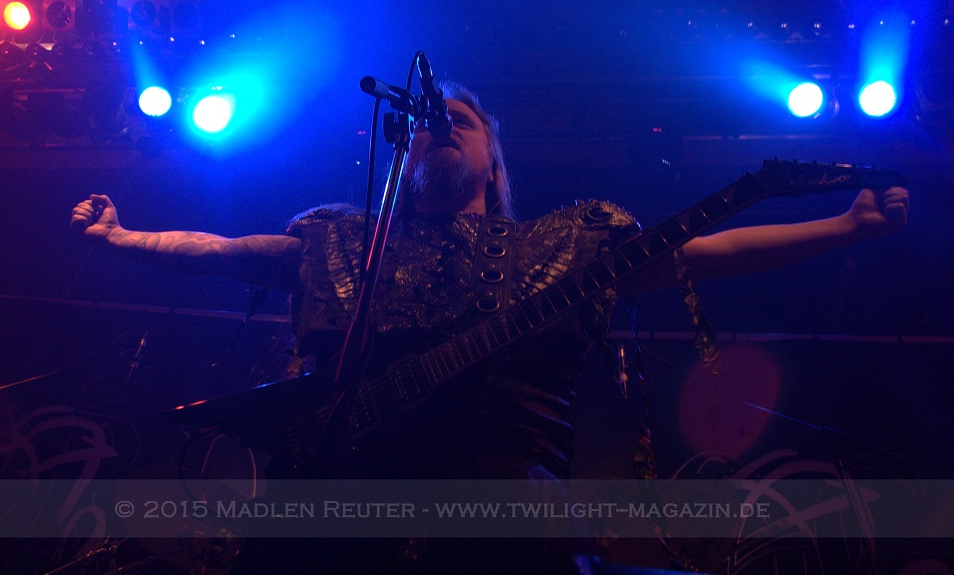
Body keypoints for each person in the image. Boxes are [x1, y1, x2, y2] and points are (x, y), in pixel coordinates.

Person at [72, 82, 909, 572]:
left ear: (493, 160)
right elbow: (221, 251)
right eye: (427, 121)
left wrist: (845, 227)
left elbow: (704, 252)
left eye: (461, 120)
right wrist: (120, 237)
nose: (440, 125)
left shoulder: (562, 246)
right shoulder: (339, 240)